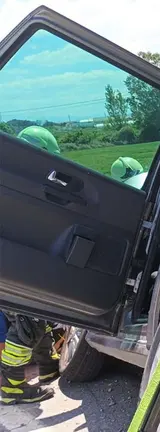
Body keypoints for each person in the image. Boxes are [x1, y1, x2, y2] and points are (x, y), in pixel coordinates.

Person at [1, 126, 62, 405]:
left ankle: (47, 366)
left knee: (35, 315)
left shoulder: (13, 176)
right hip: (15, 263)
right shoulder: (23, 182)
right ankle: (11, 384)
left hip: (13, 261)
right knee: (28, 321)